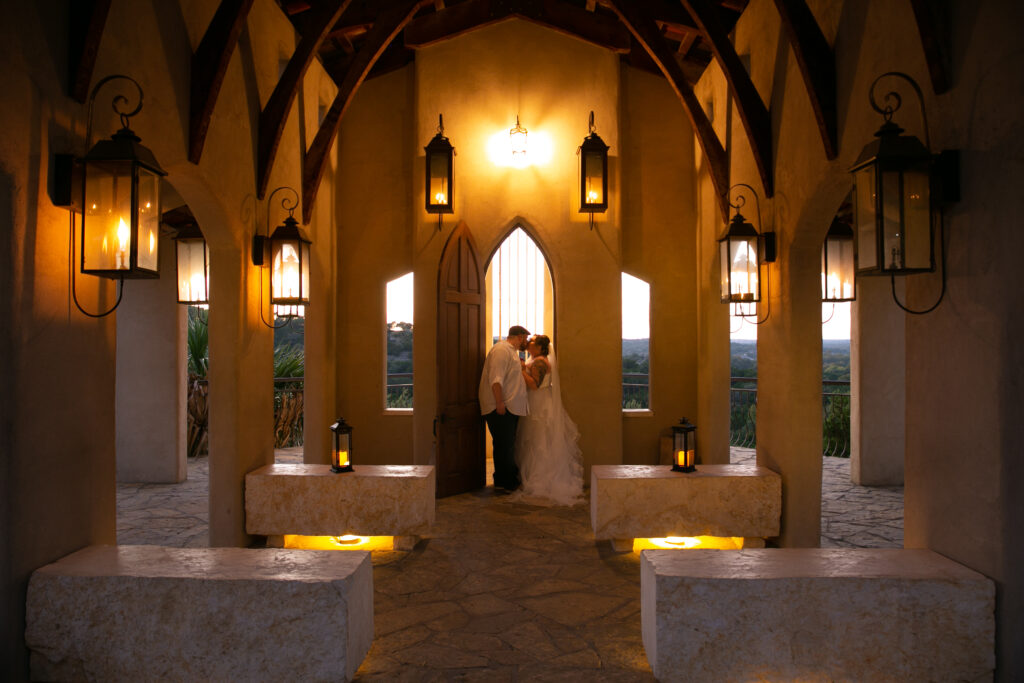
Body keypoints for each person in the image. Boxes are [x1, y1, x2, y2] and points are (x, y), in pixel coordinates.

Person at [514, 334, 583, 505]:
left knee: (539, 439)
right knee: (535, 440)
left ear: (539, 347)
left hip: (539, 402)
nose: (529, 344)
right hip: (537, 400)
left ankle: (540, 478)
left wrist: (522, 370)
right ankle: (531, 475)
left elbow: (534, 385)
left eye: (532, 342)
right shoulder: (537, 359)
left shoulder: (540, 362)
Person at [478, 325, 530, 491]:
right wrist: (499, 402)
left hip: (509, 406)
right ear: (520, 336)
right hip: (501, 406)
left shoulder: (511, 352)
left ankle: (507, 479)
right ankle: (504, 483)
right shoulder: (501, 350)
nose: (526, 342)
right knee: (503, 444)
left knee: (507, 444)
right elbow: (496, 379)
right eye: (525, 338)